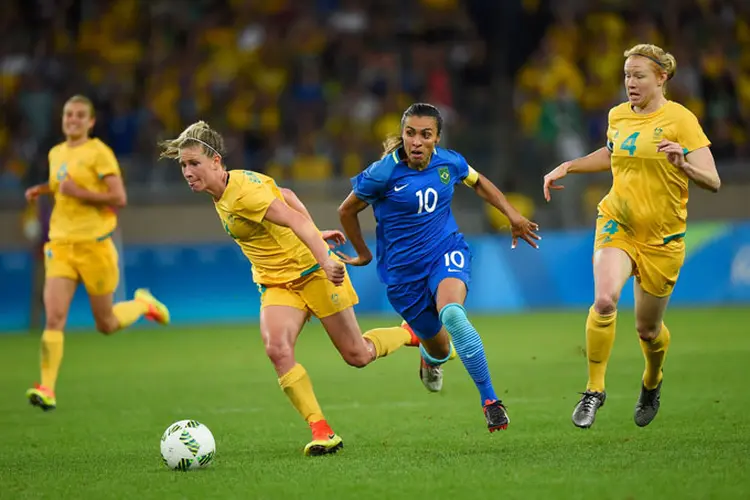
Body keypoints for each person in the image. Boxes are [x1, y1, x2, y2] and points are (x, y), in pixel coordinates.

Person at [157, 121, 419, 456]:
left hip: (313, 272)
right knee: (277, 350)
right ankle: (322, 431)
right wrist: (316, 231)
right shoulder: (226, 187)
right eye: (183, 165)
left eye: (194, 163)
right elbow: (289, 197)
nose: (188, 171)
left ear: (216, 161)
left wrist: (323, 257)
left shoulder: (243, 193)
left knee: (358, 355)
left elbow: (292, 219)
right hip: (277, 282)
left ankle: (409, 333)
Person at [543, 44, 721, 429]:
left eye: (639, 75)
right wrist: (568, 166)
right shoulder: (618, 115)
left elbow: (714, 181)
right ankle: (594, 390)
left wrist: (684, 163)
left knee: (648, 329)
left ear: (662, 77)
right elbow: (613, 154)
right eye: (626, 75)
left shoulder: (681, 120)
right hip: (617, 221)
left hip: (662, 238)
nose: (630, 83)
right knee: (605, 300)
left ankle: (652, 380)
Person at [337, 103, 541, 432]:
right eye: (410, 133)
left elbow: (478, 182)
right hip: (403, 276)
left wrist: (512, 214)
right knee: (442, 348)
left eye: (425, 135)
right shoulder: (382, 173)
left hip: (445, 251)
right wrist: (362, 253)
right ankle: (430, 357)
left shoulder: (450, 162)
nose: (416, 141)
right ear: (402, 135)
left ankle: (490, 401)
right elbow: (346, 211)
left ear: (437, 138)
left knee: (453, 314)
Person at [23, 95, 170, 412]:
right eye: (67, 114)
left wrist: (79, 193)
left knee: (105, 324)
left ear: (90, 122)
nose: (72, 119)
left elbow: (118, 197)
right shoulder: (55, 153)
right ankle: (47, 386)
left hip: (96, 247)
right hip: (61, 246)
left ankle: (143, 304)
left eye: (79, 115)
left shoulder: (99, 153)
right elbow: (60, 184)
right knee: (54, 316)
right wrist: (43, 189)